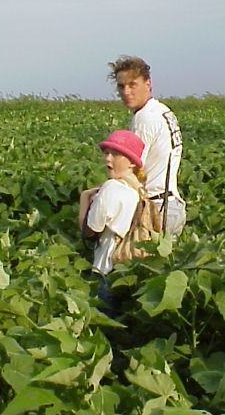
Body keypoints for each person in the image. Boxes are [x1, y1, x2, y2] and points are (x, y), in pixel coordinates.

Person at [107, 55, 186, 237]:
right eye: (121, 86)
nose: (126, 92)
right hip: (172, 205)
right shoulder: (163, 111)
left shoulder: (144, 118)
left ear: (148, 84)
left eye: (132, 85)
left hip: (155, 209)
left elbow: (132, 168)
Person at [78, 130, 146, 277]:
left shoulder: (112, 188)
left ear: (132, 163)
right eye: (106, 153)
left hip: (106, 268)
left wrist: (84, 199)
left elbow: (89, 231)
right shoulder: (139, 188)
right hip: (129, 267)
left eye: (115, 154)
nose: (108, 159)